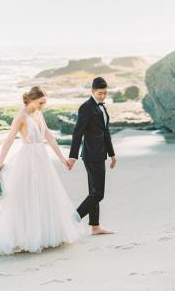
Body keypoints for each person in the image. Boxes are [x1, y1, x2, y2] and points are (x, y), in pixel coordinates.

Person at [0, 86, 84, 258]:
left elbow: (48, 136)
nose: (42, 106)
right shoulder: (21, 116)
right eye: (41, 103)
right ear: (31, 99)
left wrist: (62, 158)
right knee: (24, 198)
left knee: (43, 195)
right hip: (27, 160)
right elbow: (9, 140)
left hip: (42, 159)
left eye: (44, 103)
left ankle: (42, 234)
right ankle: (24, 237)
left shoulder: (39, 114)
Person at [68, 77, 117, 235]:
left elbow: (105, 132)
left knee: (93, 192)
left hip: (100, 154)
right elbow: (78, 133)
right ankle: (73, 218)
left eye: (104, 93)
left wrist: (112, 153)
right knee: (98, 194)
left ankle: (95, 226)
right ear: (92, 91)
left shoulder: (102, 108)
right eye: (99, 93)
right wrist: (72, 156)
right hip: (91, 155)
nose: (102, 96)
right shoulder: (86, 108)